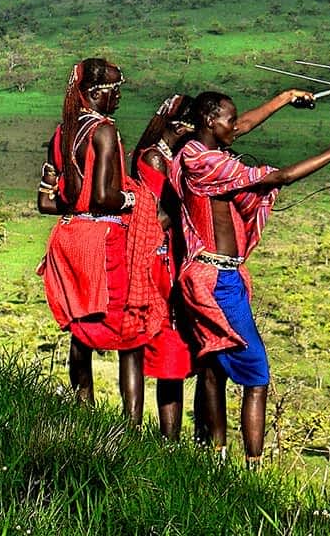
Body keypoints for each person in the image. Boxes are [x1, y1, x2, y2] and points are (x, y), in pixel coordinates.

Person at [170, 88, 330, 466]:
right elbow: (281, 176)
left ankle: (215, 460)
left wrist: (285, 98)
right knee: (256, 376)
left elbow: (245, 125)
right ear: (208, 121)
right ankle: (253, 467)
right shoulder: (206, 163)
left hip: (210, 274)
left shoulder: (196, 150)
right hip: (217, 280)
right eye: (229, 121)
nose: (237, 127)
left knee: (216, 368)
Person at [37, 58, 156, 425]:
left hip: (69, 237)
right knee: (130, 336)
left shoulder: (63, 133)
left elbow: (45, 201)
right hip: (102, 239)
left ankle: (83, 413)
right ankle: (131, 432)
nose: (119, 100)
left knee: (81, 328)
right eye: (115, 92)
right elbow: (106, 197)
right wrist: (135, 199)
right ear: (97, 94)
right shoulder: (104, 132)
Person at [129, 94, 196, 441]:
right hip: (159, 260)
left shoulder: (164, 156)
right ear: (180, 125)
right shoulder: (154, 159)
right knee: (166, 346)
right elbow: (155, 218)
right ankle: (162, 438)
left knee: (173, 349)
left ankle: (168, 437)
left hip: (168, 255)